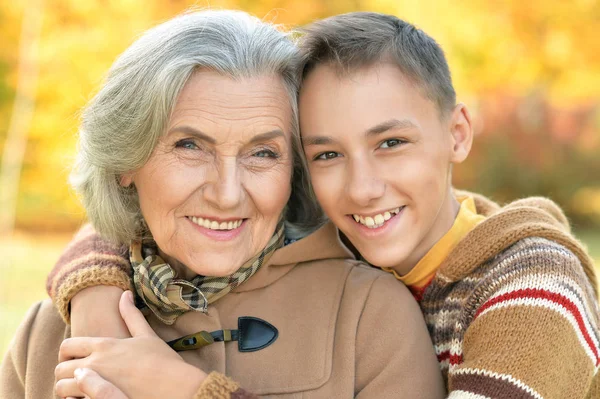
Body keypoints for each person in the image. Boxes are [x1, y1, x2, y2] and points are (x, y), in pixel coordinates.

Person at [36, 10, 600, 399]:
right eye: (327, 153)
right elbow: (145, 214)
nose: (362, 188)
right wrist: (95, 290)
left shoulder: (532, 290)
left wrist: (186, 389)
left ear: (457, 134)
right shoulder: (340, 231)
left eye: (391, 143)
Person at [0, 10, 446, 399]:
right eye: (190, 145)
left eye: (262, 153)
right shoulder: (51, 331)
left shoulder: (369, 315)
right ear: (125, 161)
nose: (228, 193)